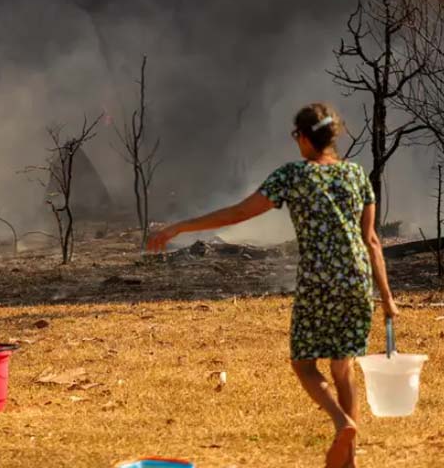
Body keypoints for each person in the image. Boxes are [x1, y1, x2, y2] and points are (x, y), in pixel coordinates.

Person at [147, 103, 399, 468]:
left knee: (304, 364)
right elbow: (372, 240)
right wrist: (388, 298)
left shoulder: (292, 175)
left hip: (318, 280)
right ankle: (350, 460)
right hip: (357, 280)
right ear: (333, 136)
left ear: (302, 138)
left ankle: (342, 422)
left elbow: (238, 212)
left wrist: (180, 226)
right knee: (343, 366)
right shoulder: (357, 175)